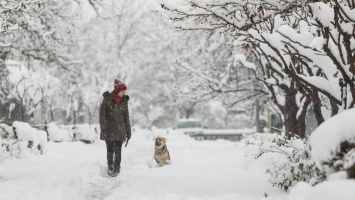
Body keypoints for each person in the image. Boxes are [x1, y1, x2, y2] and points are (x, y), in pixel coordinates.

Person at [99, 79, 131, 176]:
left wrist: (128, 131)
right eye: (122, 91)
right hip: (109, 130)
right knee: (110, 149)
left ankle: (117, 168)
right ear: (117, 91)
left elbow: (126, 117)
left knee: (118, 150)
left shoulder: (124, 101)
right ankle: (110, 166)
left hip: (120, 130)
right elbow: (102, 115)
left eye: (124, 91)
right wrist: (104, 127)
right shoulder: (107, 99)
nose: (123, 93)